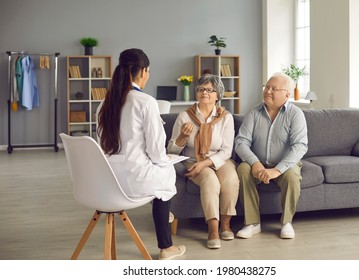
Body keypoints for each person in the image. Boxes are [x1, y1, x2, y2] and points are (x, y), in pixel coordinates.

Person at [97, 48, 186, 260]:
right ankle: (166, 246)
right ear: (143, 71)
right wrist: (167, 159)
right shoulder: (145, 102)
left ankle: (165, 213)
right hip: (134, 181)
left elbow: (102, 145)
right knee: (167, 174)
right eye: (148, 72)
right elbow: (156, 152)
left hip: (108, 182)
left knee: (160, 176)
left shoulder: (103, 104)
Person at [167, 74, 239, 249]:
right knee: (210, 180)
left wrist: (206, 163)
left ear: (217, 95)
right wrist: (182, 137)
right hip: (192, 160)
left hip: (219, 159)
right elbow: (171, 151)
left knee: (231, 178)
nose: (204, 92)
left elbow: (227, 151)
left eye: (209, 90)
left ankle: (225, 225)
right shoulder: (185, 116)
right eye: (200, 89)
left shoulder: (226, 117)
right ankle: (213, 229)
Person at [234, 72, 308, 239]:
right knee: (243, 169)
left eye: (274, 89)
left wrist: (277, 170)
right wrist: (255, 163)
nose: (268, 91)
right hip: (258, 163)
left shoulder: (296, 114)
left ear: (287, 95)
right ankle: (252, 223)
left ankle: (286, 222)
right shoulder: (254, 112)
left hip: (285, 163)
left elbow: (300, 146)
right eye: (267, 87)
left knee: (291, 176)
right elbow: (241, 142)